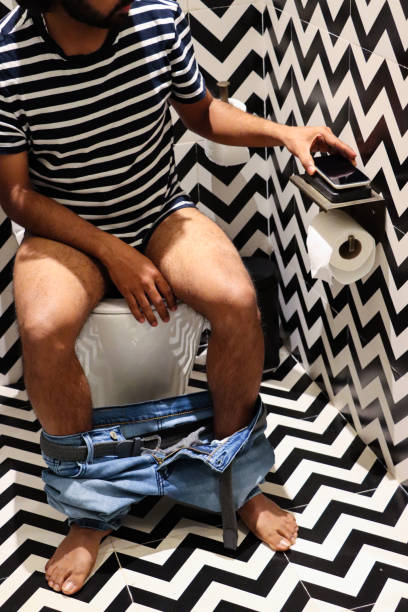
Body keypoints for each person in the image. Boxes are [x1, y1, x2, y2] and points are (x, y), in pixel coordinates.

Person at [0, 0, 356, 597]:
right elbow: (14, 193)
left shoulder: (157, 17)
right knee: (42, 330)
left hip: (156, 211)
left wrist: (281, 132)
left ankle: (236, 482)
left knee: (239, 301)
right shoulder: (8, 56)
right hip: (68, 230)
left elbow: (203, 114)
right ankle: (90, 511)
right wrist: (114, 253)